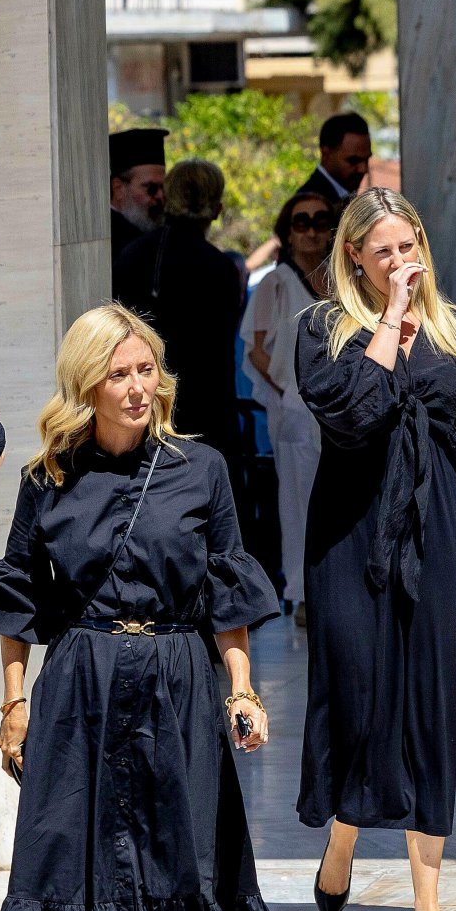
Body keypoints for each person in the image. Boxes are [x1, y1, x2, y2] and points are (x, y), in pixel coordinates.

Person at [0, 303, 296, 911]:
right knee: (86, 886)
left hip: (175, 684)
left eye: (145, 369)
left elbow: (229, 597)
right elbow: (17, 595)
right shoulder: (48, 476)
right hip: (80, 684)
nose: (136, 386)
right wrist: (14, 703)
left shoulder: (201, 469)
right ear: (86, 384)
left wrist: (242, 689)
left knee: (165, 870)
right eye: (118, 372)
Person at [297, 188, 456, 911]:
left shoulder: (453, 333)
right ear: (354, 256)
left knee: (431, 702)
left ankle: (428, 900)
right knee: (359, 692)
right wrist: (387, 320)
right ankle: (344, 831)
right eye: (383, 252)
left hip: (436, 526)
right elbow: (353, 416)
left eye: (408, 248)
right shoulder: (325, 331)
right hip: (353, 530)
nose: (401, 263)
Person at [115, 160, 244, 500]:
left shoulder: (131, 256)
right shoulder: (220, 269)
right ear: (215, 207)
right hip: (206, 417)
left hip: (144, 409)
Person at [245, 191, 332, 627]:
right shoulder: (275, 283)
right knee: (298, 502)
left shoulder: (344, 279)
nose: (312, 229)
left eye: (320, 220)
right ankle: (301, 594)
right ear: (288, 230)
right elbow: (256, 348)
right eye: (302, 221)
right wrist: (291, 391)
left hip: (342, 406)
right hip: (296, 409)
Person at [109, 128, 167, 292]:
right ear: (119, 189)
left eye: (164, 187)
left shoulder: (162, 236)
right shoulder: (106, 240)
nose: (160, 196)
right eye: (151, 188)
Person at [300, 112, 373, 205]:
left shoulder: (344, 197)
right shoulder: (310, 205)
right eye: (353, 161)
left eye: (366, 160)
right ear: (326, 154)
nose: (363, 169)